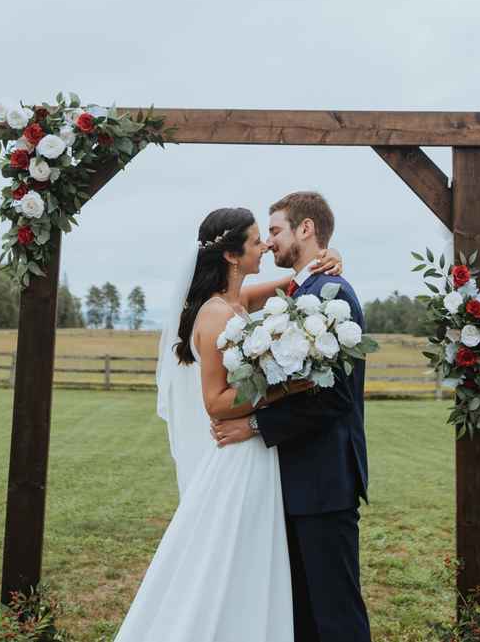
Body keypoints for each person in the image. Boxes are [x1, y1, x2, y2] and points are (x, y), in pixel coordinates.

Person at [112, 206, 343, 642]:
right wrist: (287, 386)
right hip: (239, 454)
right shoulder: (216, 314)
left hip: (256, 452)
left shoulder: (240, 301)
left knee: (252, 559)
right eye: (257, 241)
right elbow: (216, 404)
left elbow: (295, 285)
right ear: (234, 256)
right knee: (235, 557)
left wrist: (329, 259)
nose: (266, 245)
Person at [211, 192, 372, 642]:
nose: (269, 244)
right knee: (302, 611)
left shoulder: (332, 294)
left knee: (335, 613)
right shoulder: (303, 290)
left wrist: (255, 425)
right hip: (296, 479)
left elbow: (333, 397)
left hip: (324, 480)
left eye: (276, 231)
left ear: (306, 229)